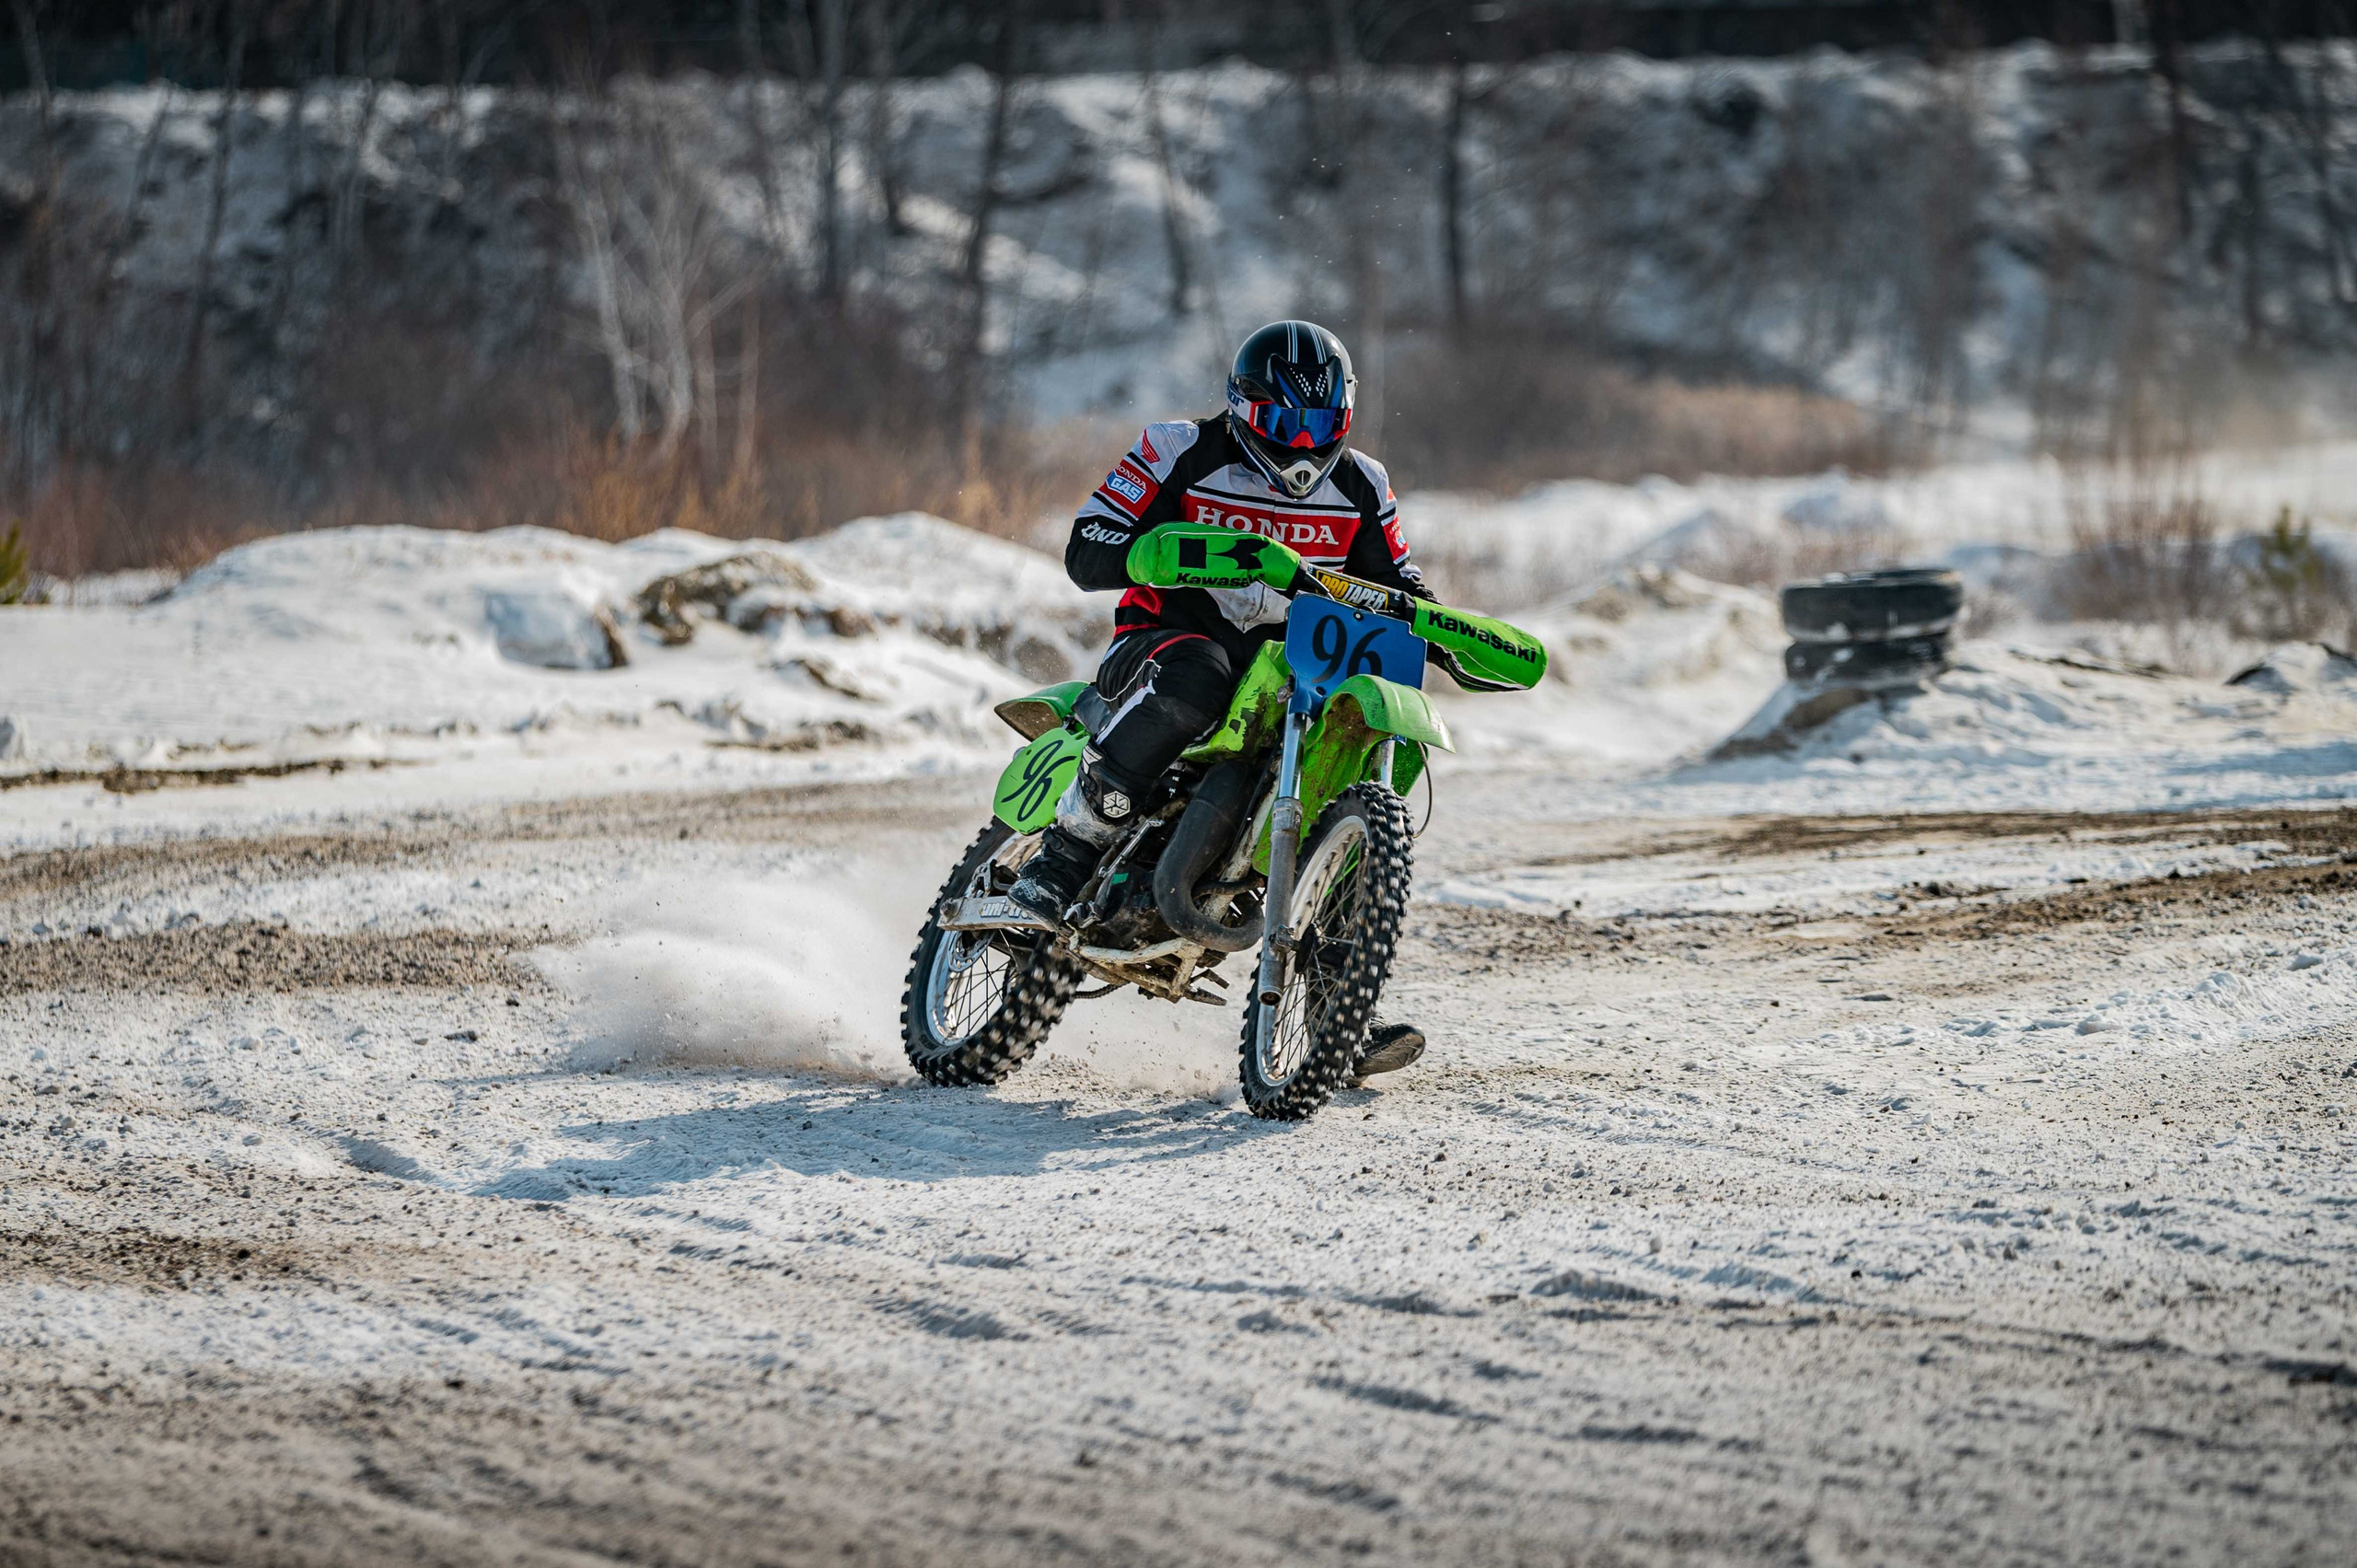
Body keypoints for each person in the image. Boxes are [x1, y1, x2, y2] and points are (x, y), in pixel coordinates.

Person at [1008, 319, 1426, 1077]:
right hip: (1167, 640)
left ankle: (1338, 1006)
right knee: (1198, 674)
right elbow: (1088, 545)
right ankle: (1064, 855)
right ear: (1242, 407)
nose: (1302, 442)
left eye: (1320, 423)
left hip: (1296, 668)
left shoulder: (1364, 482)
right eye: (1282, 422)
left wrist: (1448, 626)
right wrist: (1163, 550)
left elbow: (1400, 583)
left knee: (1359, 757)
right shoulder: (1178, 449)